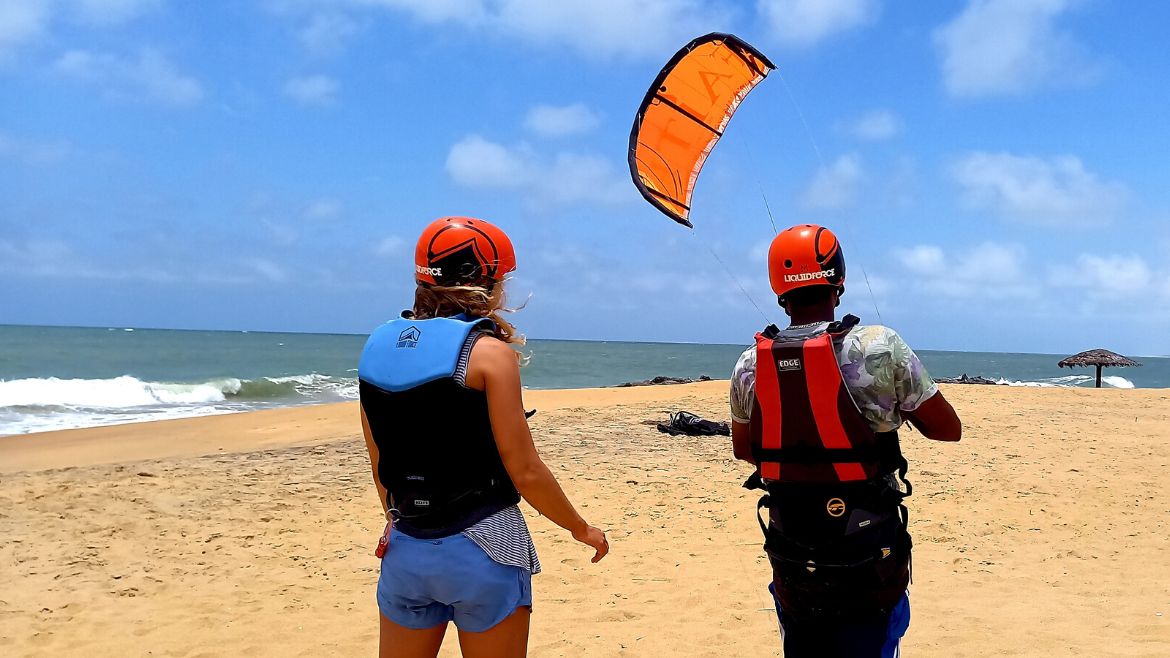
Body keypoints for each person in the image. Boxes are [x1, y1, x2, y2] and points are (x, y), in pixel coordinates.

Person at [358, 216, 609, 658]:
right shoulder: (487, 353)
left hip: (406, 549)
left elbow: (381, 463)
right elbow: (525, 469)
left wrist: (397, 519)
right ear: (483, 281)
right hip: (485, 545)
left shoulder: (376, 346)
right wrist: (580, 528)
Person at [728, 224, 961, 657]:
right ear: (838, 278)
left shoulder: (748, 364)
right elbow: (948, 429)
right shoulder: (880, 346)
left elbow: (746, 450)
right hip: (868, 548)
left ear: (778, 286)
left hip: (794, 551)